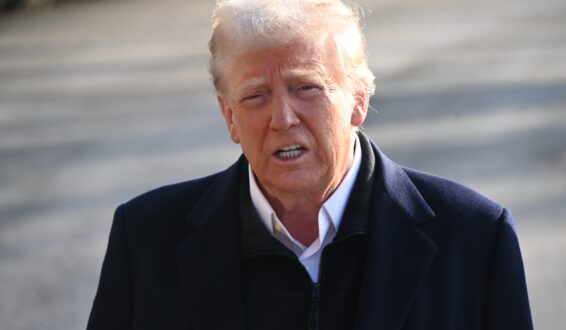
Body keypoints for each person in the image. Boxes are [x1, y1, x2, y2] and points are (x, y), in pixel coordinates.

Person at [87, 1, 533, 329]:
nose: (282, 118)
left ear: (358, 102)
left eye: (306, 88)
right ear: (230, 118)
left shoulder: (475, 237)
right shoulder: (145, 240)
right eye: (255, 96)